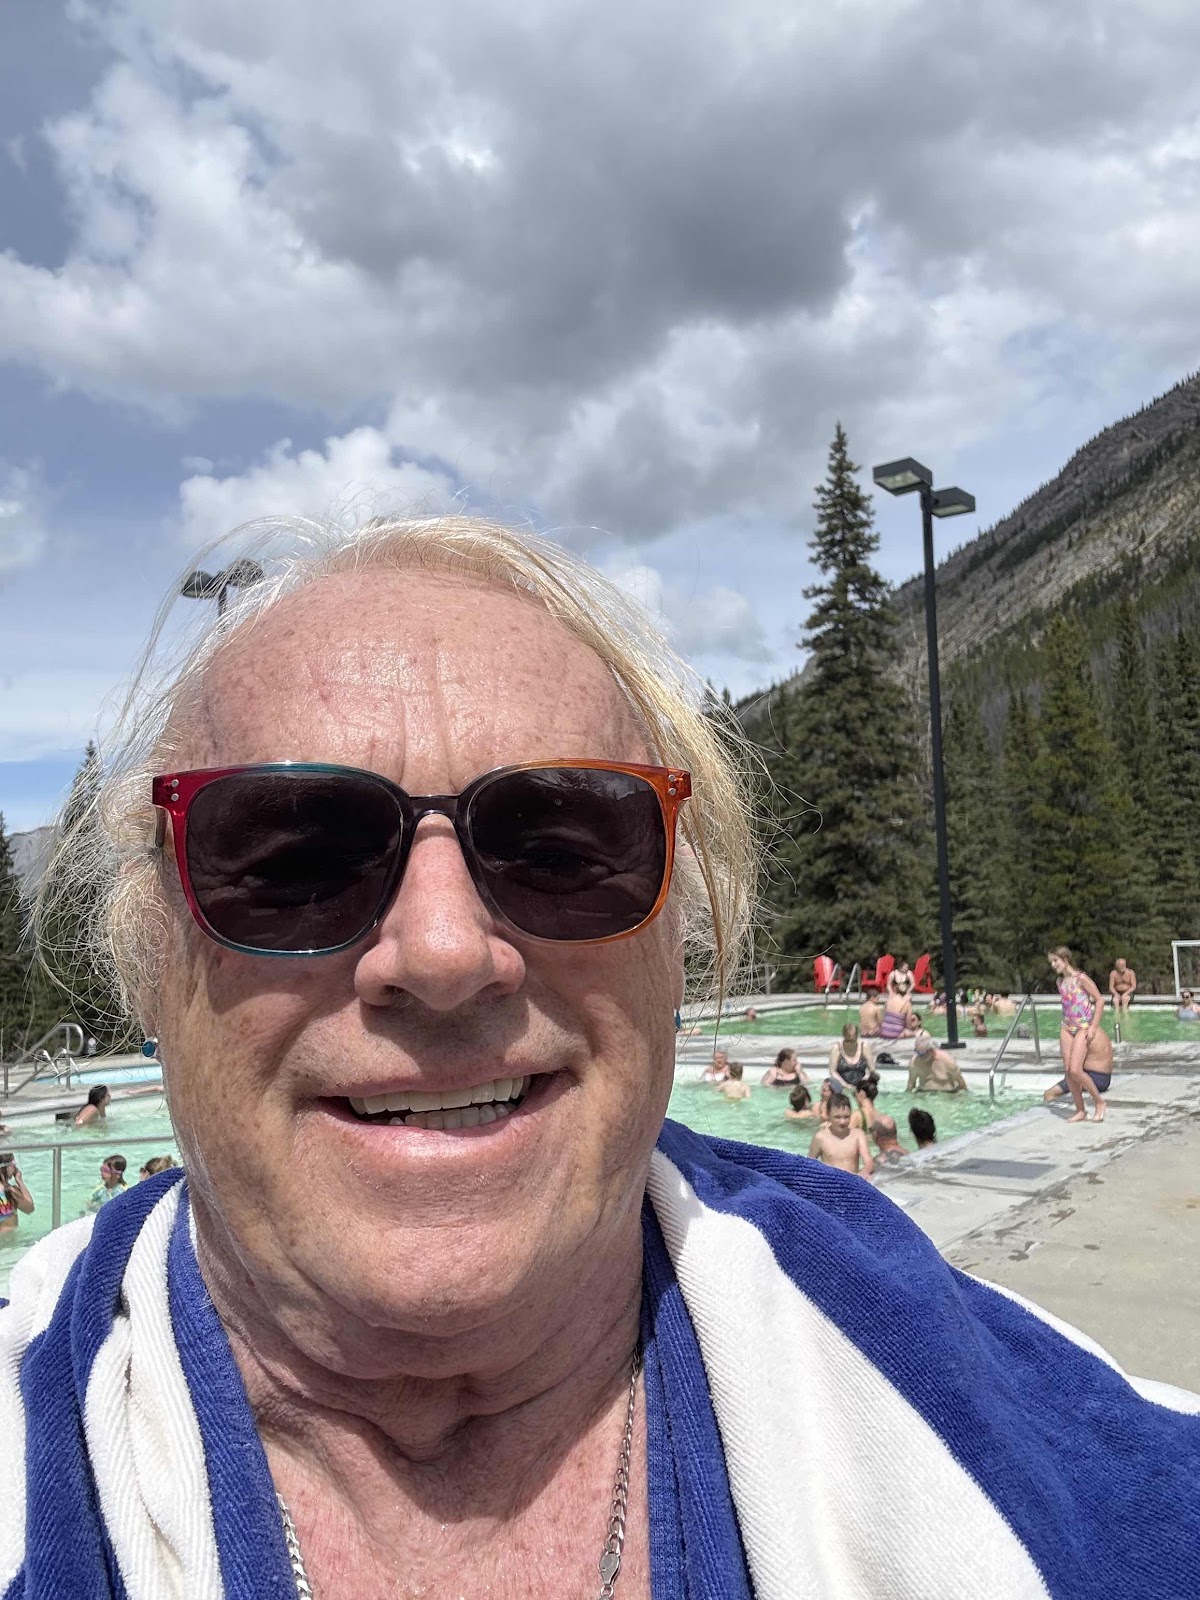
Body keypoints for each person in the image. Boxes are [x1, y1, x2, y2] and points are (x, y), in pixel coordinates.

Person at [6, 515, 1199, 1597]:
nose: (443, 952)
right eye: (292, 859)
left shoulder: (1049, 1468)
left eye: (563, 848)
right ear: (148, 956)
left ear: (680, 944)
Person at [1049, 946, 1107, 1124]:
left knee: (1075, 1069)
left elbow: (1100, 1000)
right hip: (1066, 1027)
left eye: (1055, 961)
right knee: (1068, 1072)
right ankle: (1080, 1110)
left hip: (1083, 1027)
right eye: (1051, 962)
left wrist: (1093, 1027)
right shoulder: (1060, 982)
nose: (1053, 965)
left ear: (1065, 959)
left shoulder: (1081, 979)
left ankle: (1099, 1102)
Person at [1044, 1027, 1115, 1107]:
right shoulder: (1097, 1030)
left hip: (1093, 1078)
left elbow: (1071, 1067)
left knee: (1049, 1093)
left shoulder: (1082, 1034)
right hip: (1104, 1078)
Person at [807, 1093, 874, 1178]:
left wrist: (864, 1172)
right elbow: (809, 1165)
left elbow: (868, 1161)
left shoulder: (858, 1135)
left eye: (846, 1117)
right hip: (831, 1182)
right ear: (828, 1115)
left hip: (852, 1182)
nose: (842, 1122)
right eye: (837, 1117)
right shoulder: (820, 1137)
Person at [827, 1023, 873, 1092]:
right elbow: (832, 1071)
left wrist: (863, 1081)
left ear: (857, 1036)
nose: (849, 1044)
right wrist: (846, 1085)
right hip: (842, 1086)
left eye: (852, 1041)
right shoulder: (837, 1048)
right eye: (847, 1040)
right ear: (843, 1036)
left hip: (861, 1086)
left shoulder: (864, 1047)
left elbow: (872, 1070)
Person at [0, 1153, 35, 1231]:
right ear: (7, 1166)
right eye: (13, 1163)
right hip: (9, 1237)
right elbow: (29, 1209)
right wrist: (19, 1181)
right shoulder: (10, 1191)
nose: (15, 1167)